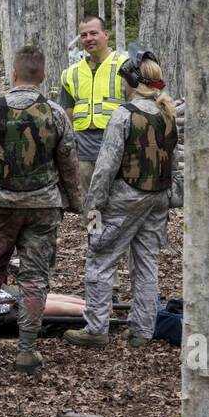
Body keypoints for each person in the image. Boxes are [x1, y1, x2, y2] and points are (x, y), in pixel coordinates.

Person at [0, 45, 83, 373]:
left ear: (13, 73)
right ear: (45, 77)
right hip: (43, 207)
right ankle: (26, 351)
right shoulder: (55, 114)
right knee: (35, 278)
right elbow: (68, 163)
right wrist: (76, 201)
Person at [64, 46, 178, 349]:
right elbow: (173, 162)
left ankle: (96, 328)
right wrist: (171, 197)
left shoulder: (123, 115)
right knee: (146, 263)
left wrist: (94, 204)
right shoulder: (167, 113)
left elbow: (106, 165)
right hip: (158, 198)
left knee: (100, 258)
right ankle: (142, 330)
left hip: (125, 198)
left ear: (131, 82)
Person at [58, 15, 129, 195]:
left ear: (106, 35)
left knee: (116, 197)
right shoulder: (71, 73)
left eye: (93, 33)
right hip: (84, 147)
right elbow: (68, 110)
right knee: (89, 200)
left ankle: (113, 224)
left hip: (118, 145)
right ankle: (92, 224)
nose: (88, 38)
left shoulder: (125, 66)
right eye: (83, 35)